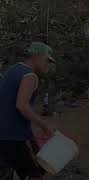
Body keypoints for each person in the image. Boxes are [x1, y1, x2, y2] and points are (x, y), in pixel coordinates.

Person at [0, 42, 56, 180]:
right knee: (36, 172)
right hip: (15, 136)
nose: (47, 64)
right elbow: (22, 105)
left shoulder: (12, 70)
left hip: (4, 134)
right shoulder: (30, 76)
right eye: (46, 60)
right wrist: (44, 126)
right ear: (36, 56)